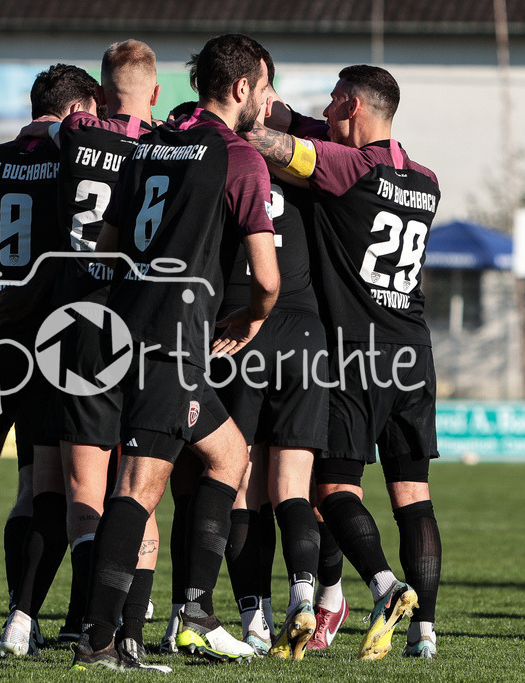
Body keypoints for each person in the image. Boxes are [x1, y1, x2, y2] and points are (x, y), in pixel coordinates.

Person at [71, 33, 280, 670]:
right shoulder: (239, 158)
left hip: (128, 329)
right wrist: (250, 316)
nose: (267, 102)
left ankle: (188, 611)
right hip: (173, 337)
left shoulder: (149, 145)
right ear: (242, 88)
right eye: (265, 88)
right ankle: (99, 641)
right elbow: (267, 278)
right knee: (139, 486)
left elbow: (105, 247)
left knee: (229, 455)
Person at [242, 64, 443, 660]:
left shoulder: (345, 170)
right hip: (413, 350)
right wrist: (276, 104)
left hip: (358, 353)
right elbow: (309, 134)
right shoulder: (426, 179)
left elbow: (265, 145)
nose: (326, 109)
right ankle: (424, 634)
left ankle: (382, 586)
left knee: (331, 488)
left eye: (334, 102)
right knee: (414, 496)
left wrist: (224, 118)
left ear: (353, 105)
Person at [8, 39, 164, 662]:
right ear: (154, 93)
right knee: (143, 479)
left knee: (83, 489)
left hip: (79, 322)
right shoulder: (165, 145)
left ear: (98, 94)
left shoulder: (75, 133)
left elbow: (49, 127)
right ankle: (131, 621)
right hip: (142, 319)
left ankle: (84, 618)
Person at [0, 63, 98, 653]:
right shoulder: (71, 159)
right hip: (45, 338)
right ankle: (20, 618)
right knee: (39, 484)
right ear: (79, 106)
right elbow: (66, 250)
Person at [213, 53, 329, 662]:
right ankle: (303, 596)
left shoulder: (216, 152)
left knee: (239, 484)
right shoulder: (307, 150)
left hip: (243, 325)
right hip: (306, 331)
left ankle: (254, 618)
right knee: (294, 482)